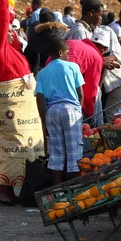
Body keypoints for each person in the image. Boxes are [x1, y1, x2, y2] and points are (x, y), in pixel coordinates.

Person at [0, 0, 44, 206]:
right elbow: (4, 21)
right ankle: (1, 187)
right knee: (15, 146)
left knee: (18, 146)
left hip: (14, 100)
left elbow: (13, 37)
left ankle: (6, 187)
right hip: (9, 101)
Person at [35, 38, 84, 185]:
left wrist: (43, 121)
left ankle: (58, 190)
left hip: (52, 111)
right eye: (68, 53)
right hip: (71, 110)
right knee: (74, 150)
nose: (69, 56)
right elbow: (81, 94)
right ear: (61, 52)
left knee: (56, 152)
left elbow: (40, 98)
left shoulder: (42, 73)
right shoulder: (73, 67)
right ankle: (76, 190)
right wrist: (78, 111)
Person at [24, 9, 67, 75]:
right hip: (60, 71)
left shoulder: (36, 35)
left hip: (41, 72)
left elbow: (28, 55)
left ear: (40, 21)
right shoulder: (63, 34)